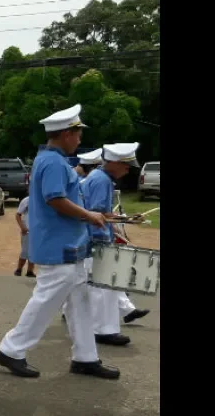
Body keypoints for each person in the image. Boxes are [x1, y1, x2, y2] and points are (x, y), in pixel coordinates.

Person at [0, 104, 119, 379]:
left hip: (69, 245)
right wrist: (89, 215)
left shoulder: (54, 160)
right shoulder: (52, 162)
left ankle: (85, 357)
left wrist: (90, 215)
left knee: (80, 303)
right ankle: (11, 349)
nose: (80, 139)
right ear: (66, 134)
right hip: (58, 246)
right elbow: (55, 199)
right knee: (45, 301)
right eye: (78, 133)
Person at [77, 142, 142, 347]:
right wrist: (126, 219)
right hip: (96, 238)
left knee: (107, 288)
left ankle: (106, 329)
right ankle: (101, 331)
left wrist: (127, 217)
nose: (128, 169)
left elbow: (102, 213)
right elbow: (97, 213)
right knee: (101, 288)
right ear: (113, 162)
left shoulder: (100, 177)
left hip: (96, 237)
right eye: (125, 165)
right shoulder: (101, 180)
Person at [14, 196, 35, 277]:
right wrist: (22, 227)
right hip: (27, 230)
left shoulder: (42, 199)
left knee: (33, 251)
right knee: (25, 251)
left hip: (37, 231)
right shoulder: (27, 200)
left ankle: (30, 271)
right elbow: (18, 214)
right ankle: (19, 269)